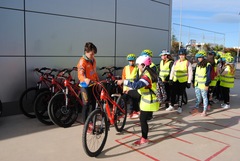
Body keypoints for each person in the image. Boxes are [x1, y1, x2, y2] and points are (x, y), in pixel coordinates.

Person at [116, 55, 159, 146]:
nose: (137, 66)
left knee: (142, 120)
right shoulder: (148, 72)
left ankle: (144, 138)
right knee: (129, 94)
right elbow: (139, 88)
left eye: (139, 65)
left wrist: (124, 82)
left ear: (143, 65)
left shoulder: (147, 76)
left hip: (149, 101)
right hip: (146, 98)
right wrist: (130, 90)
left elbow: (137, 85)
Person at [77, 42, 99, 123]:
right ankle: (86, 123)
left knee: (94, 103)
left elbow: (94, 72)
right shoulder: (82, 61)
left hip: (93, 84)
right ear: (86, 52)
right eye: (91, 54)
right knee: (86, 104)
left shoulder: (93, 60)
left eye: (94, 54)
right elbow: (80, 74)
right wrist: (85, 79)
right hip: (85, 86)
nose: (93, 56)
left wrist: (97, 80)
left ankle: (92, 121)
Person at [167, 48, 193, 114]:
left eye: (183, 55)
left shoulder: (187, 63)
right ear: (179, 55)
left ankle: (179, 107)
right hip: (175, 80)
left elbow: (190, 73)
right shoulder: (176, 62)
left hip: (183, 81)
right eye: (180, 55)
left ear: (185, 55)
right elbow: (172, 71)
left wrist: (189, 82)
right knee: (173, 93)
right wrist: (170, 78)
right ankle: (172, 105)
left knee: (180, 94)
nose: (181, 56)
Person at [191, 50, 211, 116]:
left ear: (203, 57)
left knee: (204, 97)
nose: (199, 59)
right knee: (198, 97)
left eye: (200, 57)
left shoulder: (208, 65)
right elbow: (195, 74)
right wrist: (193, 82)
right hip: (197, 84)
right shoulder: (197, 65)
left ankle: (204, 111)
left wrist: (207, 85)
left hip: (203, 85)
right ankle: (196, 108)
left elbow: (208, 76)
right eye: (198, 58)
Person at [121, 54, 140, 119]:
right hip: (126, 86)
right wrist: (124, 88)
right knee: (124, 99)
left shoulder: (137, 68)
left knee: (132, 100)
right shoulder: (125, 68)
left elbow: (138, 78)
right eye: (130, 61)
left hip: (133, 86)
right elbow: (123, 77)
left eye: (133, 61)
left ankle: (132, 112)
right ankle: (123, 111)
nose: (131, 62)